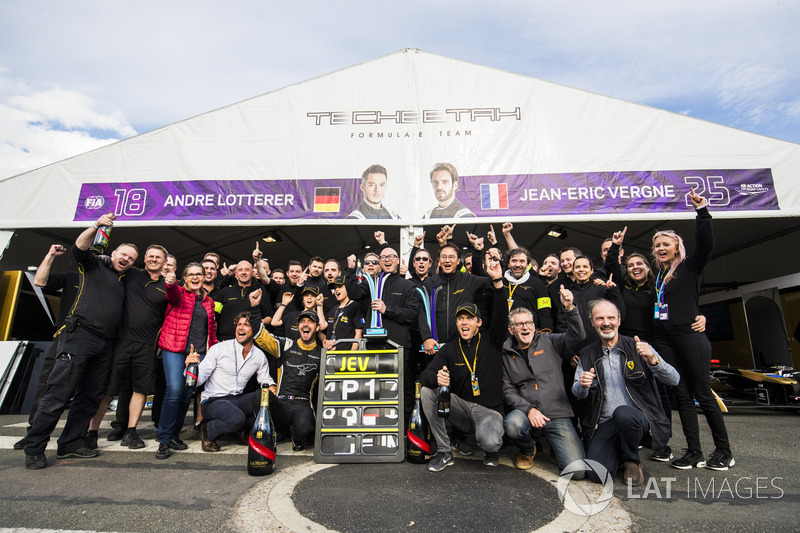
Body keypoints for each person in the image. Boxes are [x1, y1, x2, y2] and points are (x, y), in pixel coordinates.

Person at [23, 213, 138, 470]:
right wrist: (96, 225)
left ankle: (70, 443)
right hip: (79, 336)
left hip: (105, 344)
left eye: (131, 259)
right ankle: (34, 448)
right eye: (123, 255)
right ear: (114, 251)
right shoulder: (93, 265)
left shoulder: (124, 279)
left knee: (90, 397)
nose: (126, 260)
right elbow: (79, 247)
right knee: (58, 395)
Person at [650, 189, 734, 471]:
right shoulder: (658, 275)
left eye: (666, 244)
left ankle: (724, 451)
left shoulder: (690, 266)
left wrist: (702, 212)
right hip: (665, 340)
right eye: (657, 245)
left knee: (703, 392)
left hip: (690, 336)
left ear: (676, 247)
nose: (661, 248)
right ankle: (694, 451)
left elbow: (707, 244)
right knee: (681, 395)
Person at [573, 299, 679, 486]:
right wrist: (582, 385)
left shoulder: (639, 347)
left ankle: (632, 460)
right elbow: (578, 393)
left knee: (623, 413)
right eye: (600, 318)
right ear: (592, 323)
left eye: (610, 318)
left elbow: (673, 380)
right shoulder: (587, 354)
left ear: (619, 320)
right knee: (597, 474)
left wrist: (654, 361)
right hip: (605, 423)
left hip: (638, 420)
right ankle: (620, 453)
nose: (606, 323)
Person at [420, 257, 508, 472]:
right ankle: (444, 452)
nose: (464, 322)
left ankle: (489, 449)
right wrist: (436, 378)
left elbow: (501, 316)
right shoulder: (449, 348)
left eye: (469, 318)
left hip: (489, 411)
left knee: (489, 441)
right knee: (427, 391)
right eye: (460, 319)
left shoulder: (492, 339)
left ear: (478, 322)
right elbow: (425, 376)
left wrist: (497, 283)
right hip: (462, 409)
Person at [87, 244, 169, 449]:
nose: (153, 259)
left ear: (164, 262)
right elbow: (108, 261)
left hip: (147, 345)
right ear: (145, 259)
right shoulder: (131, 274)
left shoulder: (167, 285)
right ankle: (91, 433)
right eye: (150, 256)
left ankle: (131, 432)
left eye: (158, 257)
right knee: (106, 390)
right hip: (120, 342)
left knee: (140, 390)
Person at [502, 286, 587, 474]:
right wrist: (529, 409)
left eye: (529, 323)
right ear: (511, 329)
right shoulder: (506, 353)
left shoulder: (550, 341)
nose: (525, 327)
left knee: (578, 472)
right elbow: (508, 391)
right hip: (527, 412)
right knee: (513, 425)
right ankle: (527, 447)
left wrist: (570, 308)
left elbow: (578, 336)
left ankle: (557, 447)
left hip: (557, 412)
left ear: (534, 325)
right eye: (520, 324)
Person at [14, 244, 79, 451]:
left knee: (87, 393)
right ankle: (34, 433)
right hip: (64, 340)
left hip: (95, 344)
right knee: (48, 388)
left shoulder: (110, 283)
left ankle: (77, 437)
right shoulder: (72, 277)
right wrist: (50, 255)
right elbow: (40, 281)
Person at [155, 262, 218, 460]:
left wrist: (214, 351)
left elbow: (212, 329)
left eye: (198, 274)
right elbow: (171, 293)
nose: (195, 277)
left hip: (197, 353)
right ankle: (164, 440)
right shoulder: (179, 293)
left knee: (186, 394)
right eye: (190, 274)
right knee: (174, 390)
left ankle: (174, 434)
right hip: (175, 349)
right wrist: (170, 282)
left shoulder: (209, 301)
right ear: (184, 277)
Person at [188, 313, 276, 452]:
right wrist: (190, 369)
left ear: (254, 330)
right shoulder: (219, 349)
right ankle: (207, 430)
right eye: (239, 324)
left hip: (237, 399)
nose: (241, 328)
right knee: (236, 418)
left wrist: (272, 388)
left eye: (246, 325)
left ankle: (238, 430)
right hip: (213, 401)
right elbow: (200, 376)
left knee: (264, 397)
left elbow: (265, 381)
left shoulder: (259, 355)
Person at [253, 308, 322, 451]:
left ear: (318, 327)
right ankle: (267, 432)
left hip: (302, 404)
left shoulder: (322, 353)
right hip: (281, 402)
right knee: (260, 395)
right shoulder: (287, 344)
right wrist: (255, 308)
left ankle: (297, 437)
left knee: (305, 428)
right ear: (298, 327)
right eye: (302, 321)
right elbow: (262, 337)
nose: (305, 324)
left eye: (310, 322)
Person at [499, 247, 554, 333]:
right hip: (503, 334)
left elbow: (545, 312)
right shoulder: (499, 283)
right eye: (514, 261)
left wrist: (546, 333)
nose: (518, 265)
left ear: (528, 265)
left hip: (529, 334)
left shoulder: (539, 284)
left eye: (522, 261)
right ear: (508, 264)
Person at [322, 275, 364, 351]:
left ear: (348, 287)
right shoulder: (333, 309)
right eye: (335, 288)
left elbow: (358, 333)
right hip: (331, 354)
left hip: (346, 356)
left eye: (340, 286)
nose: (336, 290)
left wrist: (352, 354)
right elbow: (323, 327)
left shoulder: (355, 306)